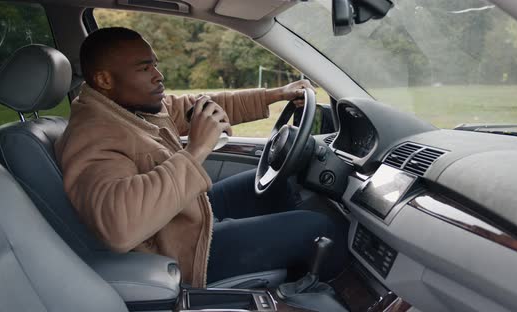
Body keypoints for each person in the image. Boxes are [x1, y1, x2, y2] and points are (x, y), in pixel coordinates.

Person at [55, 27, 346, 287]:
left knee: (278, 184)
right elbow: (119, 226)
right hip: (182, 254)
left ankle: (290, 276)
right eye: (145, 68)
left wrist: (275, 94)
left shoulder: (127, 108)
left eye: (155, 64)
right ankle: (338, 294)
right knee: (317, 228)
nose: (159, 76)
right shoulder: (93, 135)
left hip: (182, 221)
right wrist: (196, 150)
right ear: (104, 79)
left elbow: (199, 106)